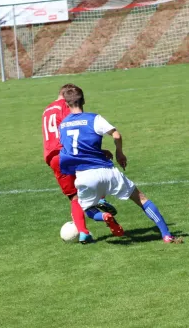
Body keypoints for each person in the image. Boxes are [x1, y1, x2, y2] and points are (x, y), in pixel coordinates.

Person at [59, 85, 182, 243]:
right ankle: (166, 234)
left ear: (66, 104)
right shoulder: (94, 118)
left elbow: (73, 149)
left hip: (85, 175)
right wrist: (119, 152)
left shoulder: (62, 125)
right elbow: (116, 135)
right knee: (142, 199)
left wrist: (97, 151)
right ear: (83, 100)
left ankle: (104, 216)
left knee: (87, 209)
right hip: (107, 171)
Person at [42, 84, 120, 244]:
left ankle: (90, 227)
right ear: (66, 96)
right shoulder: (64, 106)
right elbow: (73, 129)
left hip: (52, 157)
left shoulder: (46, 110)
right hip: (67, 152)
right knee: (90, 178)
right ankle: (101, 199)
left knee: (76, 198)